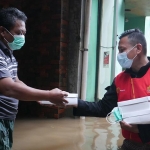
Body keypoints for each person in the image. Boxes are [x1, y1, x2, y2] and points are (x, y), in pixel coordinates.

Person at [0, 7, 68, 150]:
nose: (22, 38)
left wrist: (39, 96)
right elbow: (8, 88)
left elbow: (15, 81)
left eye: (24, 33)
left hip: (6, 118)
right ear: (2, 31)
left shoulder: (8, 52)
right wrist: (48, 95)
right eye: (18, 33)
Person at [73, 28, 150, 150]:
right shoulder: (120, 80)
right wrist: (72, 102)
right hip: (131, 144)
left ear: (138, 49)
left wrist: (141, 130)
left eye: (122, 50)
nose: (119, 55)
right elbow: (103, 108)